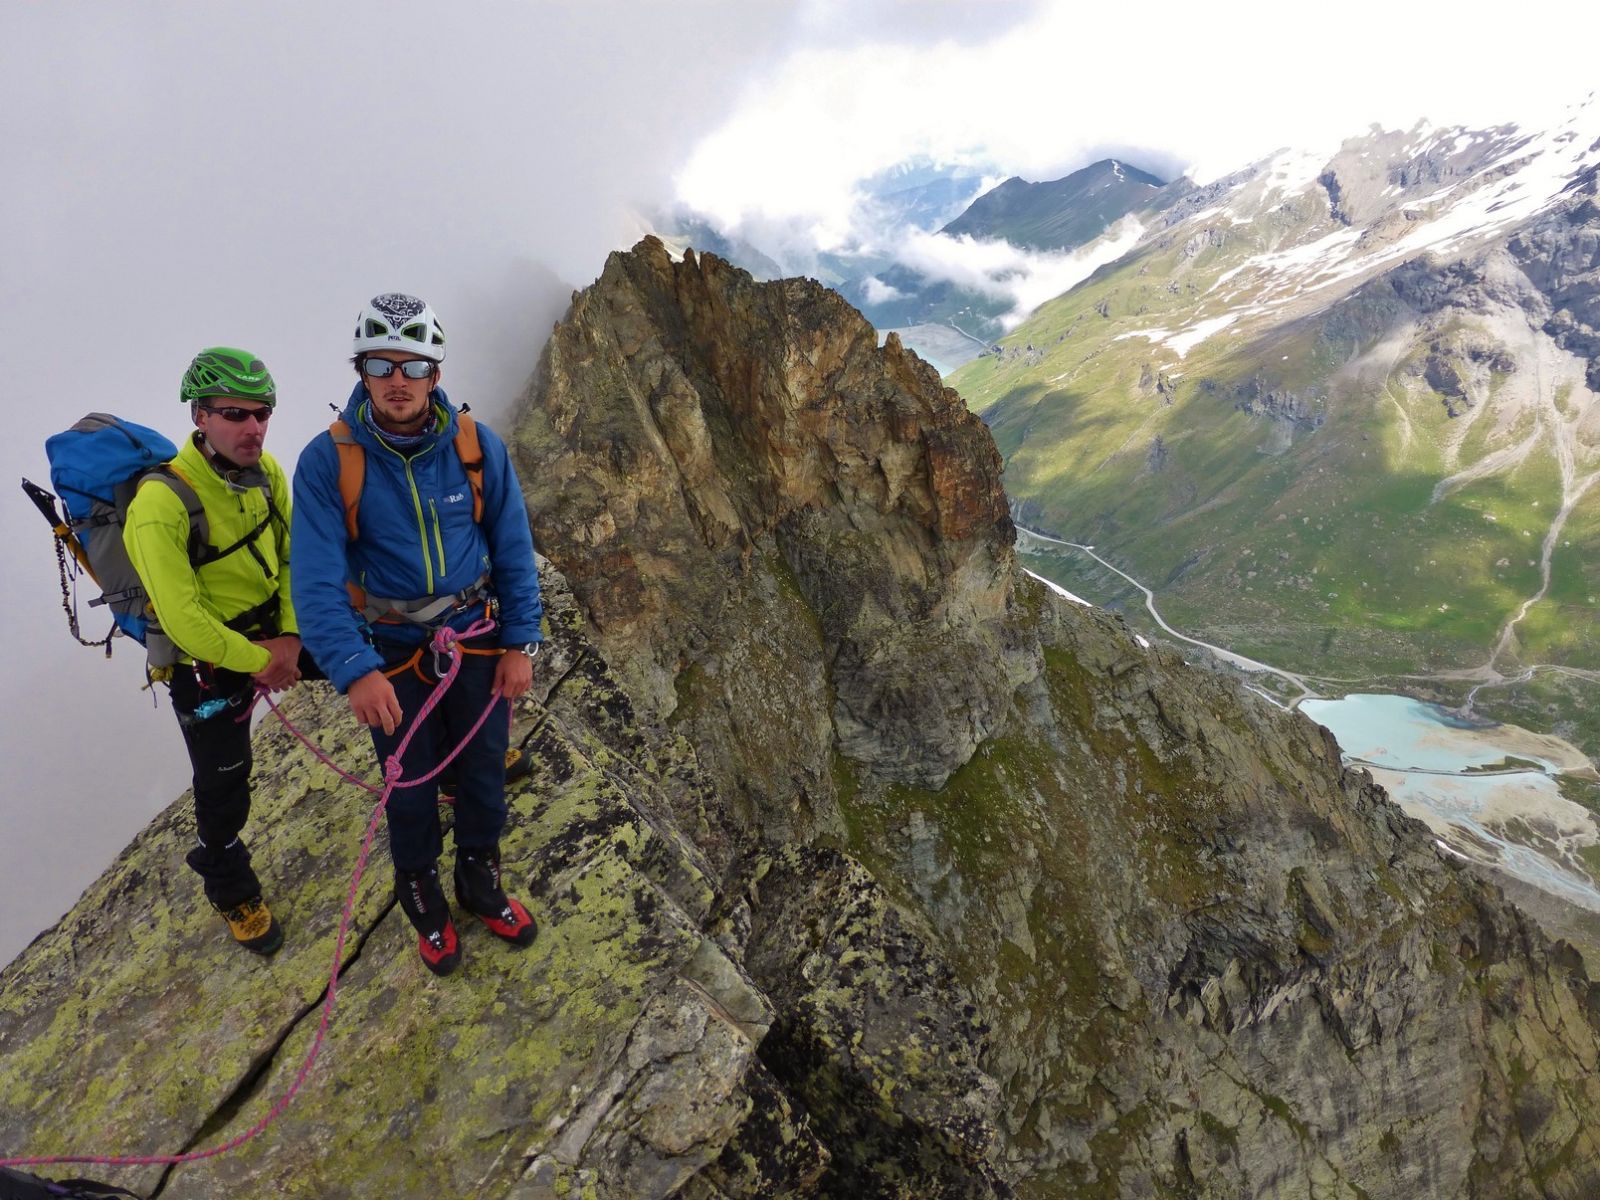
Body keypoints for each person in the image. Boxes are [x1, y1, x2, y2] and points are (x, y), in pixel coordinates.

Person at [291, 293, 542, 977]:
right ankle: (421, 892)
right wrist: (352, 667)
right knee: (409, 781)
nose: (397, 379)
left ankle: (480, 877)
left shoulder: (474, 444)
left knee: (484, 768)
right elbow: (313, 579)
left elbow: (513, 546)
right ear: (362, 371)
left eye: (413, 365)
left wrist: (521, 643)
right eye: (381, 363)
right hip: (393, 647)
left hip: (477, 637)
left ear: (435, 373)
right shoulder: (328, 461)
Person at [123, 347, 304, 955]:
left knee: (378, 657)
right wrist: (264, 662)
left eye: (263, 413)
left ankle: (448, 770)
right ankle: (230, 886)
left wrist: (291, 636)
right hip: (205, 667)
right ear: (200, 415)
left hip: (275, 632)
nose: (253, 428)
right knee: (225, 781)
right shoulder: (160, 505)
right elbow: (184, 621)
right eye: (235, 414)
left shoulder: (268, 473)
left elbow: (290, 555)